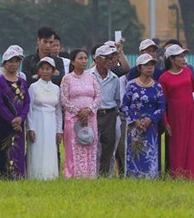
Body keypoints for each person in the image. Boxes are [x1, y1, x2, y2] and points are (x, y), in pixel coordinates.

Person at [159, 44, 194, 179]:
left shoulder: (187, 72)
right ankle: (178, 175)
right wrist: (165, 123)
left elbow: (193, 87)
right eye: (180, 56)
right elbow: (162, 103)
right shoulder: (164, 78)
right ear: (171, 59)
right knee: (177, 145)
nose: (183, 59)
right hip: (175, 116)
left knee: (192, 143)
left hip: (190, 113)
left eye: (184, 56)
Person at [122, 54, 166, 179]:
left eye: (152, 65)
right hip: (134, 126)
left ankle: (150, 177)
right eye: (146, 65)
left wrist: (150, 119)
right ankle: (133, 176)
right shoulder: (131, 85)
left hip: (151, 126)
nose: (150, 68)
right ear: (139, 68)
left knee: (150, 152)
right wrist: (135, 121)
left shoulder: (157, 86)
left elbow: (161, 106)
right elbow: (125, 105)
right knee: (134, 151)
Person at [0, 45, 30, 180]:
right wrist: (12, 119)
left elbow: (27, 103)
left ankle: (18, 176)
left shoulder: (23, 82)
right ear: (4, 63)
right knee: (5, 149)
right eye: (10, 61)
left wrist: (21, 118)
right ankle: (4, 177)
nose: (13, 64)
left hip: (20, 123)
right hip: (5, 122)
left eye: (16, 61)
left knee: (18, 149)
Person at [60, 48, 100, 179]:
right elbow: (64, 100)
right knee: (74, 145)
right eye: (80, 58)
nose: (84, 61)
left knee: (89, 143)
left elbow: (98, 97)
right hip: (73, 118)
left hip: (90, 117)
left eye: (85, 58)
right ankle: (74, 175)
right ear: (72, 62)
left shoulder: (92, 77)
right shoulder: (67, 79)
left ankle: (90, 175)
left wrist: (88, 110)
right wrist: (78, 113)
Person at [26, 57, 63, 180]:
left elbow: (58, 111)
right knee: (37, 148)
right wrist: (30, 128)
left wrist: (59, 130)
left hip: (51, 122)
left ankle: (50, 176)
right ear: (38, 71)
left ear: (53, 71)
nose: (45, 71)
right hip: (37, 121)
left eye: (48, 69)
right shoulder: (33, 87)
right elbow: (29, 109)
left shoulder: (56, 89)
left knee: (50, 149)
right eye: (42, 69)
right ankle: (35, 176)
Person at [91, 43, 122, 177]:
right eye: (107, 58)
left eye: (112, 58)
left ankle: (105, 174)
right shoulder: (89, 76)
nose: (111, 61)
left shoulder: (114, 78)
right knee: (93, 145)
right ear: (97, 59)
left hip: (109, 114)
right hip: (94, 114)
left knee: (108, 145)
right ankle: (93, 173)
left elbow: (117, 99)